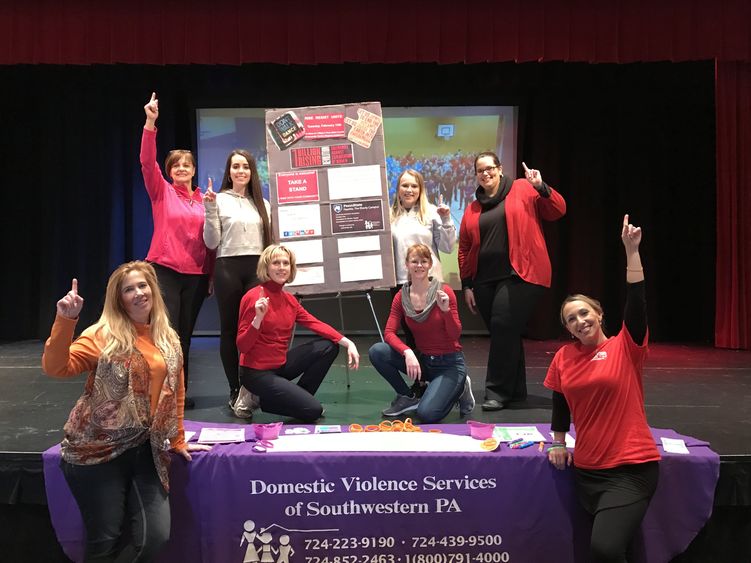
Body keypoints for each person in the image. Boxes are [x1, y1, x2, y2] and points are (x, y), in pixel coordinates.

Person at [42, 262, 211, 561]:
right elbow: (56, 368)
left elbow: (176, 390)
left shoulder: (167, 337)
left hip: (144, 449)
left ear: (153, 290)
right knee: (104, 544)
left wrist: (178, 439)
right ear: (118, 298)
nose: (138, 293)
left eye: (143, 286)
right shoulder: (103, 335)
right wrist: (65, 321)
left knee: (155, 538)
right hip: (96, 452)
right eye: (129, 289)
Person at [545, 215, 660, 563]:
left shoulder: (626, 346)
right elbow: (560, 402)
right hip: (588, 470)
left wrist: (632, 251)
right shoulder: (565, 357)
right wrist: (558, 442)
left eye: (584, 313)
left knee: (605, 549)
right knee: (610, 550)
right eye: (571, 319)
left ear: (598, 313)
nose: (580, 322)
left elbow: (636, 301)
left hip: (630, 468)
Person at [458, 153, 566, 410]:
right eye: (480, 170)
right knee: (505, 332)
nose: (486, 173)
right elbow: (464, 248)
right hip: (484, 281)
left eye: (490, 168)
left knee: (502, 323)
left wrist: (541, 186)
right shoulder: (473, 208)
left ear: (500, 169)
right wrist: (467, 284)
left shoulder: (522, 188)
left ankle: (497, 391)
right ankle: (515, 391)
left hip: (522, 273)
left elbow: (558, 210)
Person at [141, 92, 212, 409]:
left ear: (194, 170)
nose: (182, 168)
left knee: (184, 335)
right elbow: (146, 161)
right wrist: (150, 123)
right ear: (169, 171)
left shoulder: (203, 200)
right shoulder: (161, 192)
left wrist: (209, 273)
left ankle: (178, 393)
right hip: (165, 271)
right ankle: (160, 392)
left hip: (196, 276)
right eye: (176, 165)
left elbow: (210, 239)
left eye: (187, 164)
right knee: (164, 333)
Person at [236, 244, 360, 422]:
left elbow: (314, 323)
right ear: (266, 267)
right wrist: (257, 320)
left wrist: (348, 343)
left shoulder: (289, 300)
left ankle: (293, 399)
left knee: (328, 347)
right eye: (275, 263)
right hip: (256, 373)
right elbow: (242, 346)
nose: (281, 267)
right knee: (313, 411)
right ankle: (258, 398)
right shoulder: (253, 297)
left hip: (279, 366)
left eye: (286, 263)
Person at [369, 244, 474, 422]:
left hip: (449, 363)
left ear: (430, 264)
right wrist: (407, 351)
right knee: (377, 351)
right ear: (406, 265)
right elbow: (389, 333)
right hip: (424, 361)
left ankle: (460, 387)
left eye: (424, 261)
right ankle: (406, 396)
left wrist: (446, 310)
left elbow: (455, 334)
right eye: (414, 261)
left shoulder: (444, 292)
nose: (419, 265)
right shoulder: (401, 296)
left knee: (427, 414)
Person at [203, 149, 273, 414]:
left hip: (256, 269)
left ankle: (253, 386)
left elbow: (270, 245)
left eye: (245, 166)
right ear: (229, 171)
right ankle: (235, 389)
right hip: (228, 268)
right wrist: (209, 209)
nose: (240, 171)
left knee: (255, 330)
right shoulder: (217, 199)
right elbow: (211, 242)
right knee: (230, 331)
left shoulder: (263, 204)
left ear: (252, 171)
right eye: (235, 167)